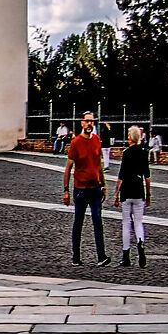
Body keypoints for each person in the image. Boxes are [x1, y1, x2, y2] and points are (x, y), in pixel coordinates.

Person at [64, 111, 109, 266]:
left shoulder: (97, 140)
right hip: (81, 189)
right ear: (82, 123)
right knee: (78, 223)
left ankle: (101, 256)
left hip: (95, 188)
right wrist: (66, 190)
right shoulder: (76, 143)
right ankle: (76, 257)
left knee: (98, 222)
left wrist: (104, 185)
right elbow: (68, 168)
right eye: (87, 121)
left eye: (92, 121)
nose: (90, 124)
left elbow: (99, 165)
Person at [119, 126, 152, 268]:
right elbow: (147, 176)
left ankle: (126, 256)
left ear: (130, 138)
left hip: (126, 190)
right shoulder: (144, 153)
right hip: (139, 191)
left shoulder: (126, 153)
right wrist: (148, 194)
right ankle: (140, 242)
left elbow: (121, 175)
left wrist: (116, 193)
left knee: (126, 223)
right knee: (138, 222)